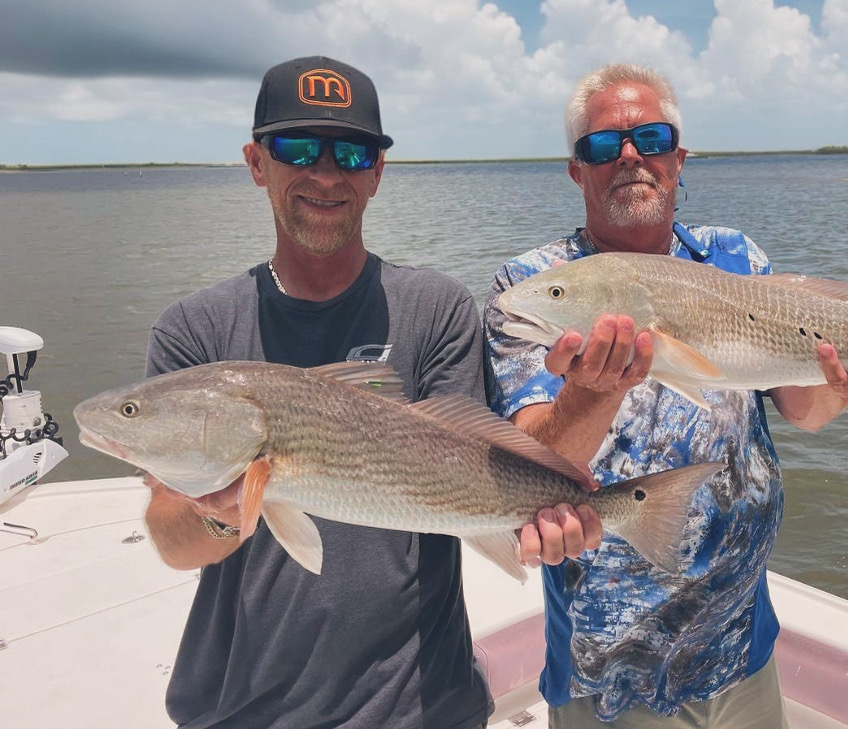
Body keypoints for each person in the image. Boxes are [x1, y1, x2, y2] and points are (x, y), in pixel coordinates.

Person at [141, 55, 597, 729]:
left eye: (352, 153)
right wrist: (221, 505)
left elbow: (477, 464)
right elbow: (172, 539)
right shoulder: (196, 329)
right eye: (298, 147)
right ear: (256, 161)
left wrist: (563, 485)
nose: (326, 174)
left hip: (423, 703)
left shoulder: (435, 307)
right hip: (242, 707)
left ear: (377, 173)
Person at [483, 63, 848, 727]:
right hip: (609, 669)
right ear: (577, 169)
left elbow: (803, 408)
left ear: (679, 157)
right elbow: (532, 470)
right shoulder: (530, 289)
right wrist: (594, 392)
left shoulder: (736, 256)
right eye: (604, 145)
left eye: (652, 138)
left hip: (742, 643)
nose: (631, 156)